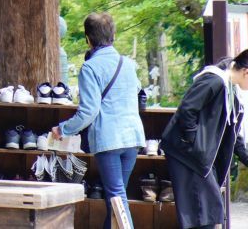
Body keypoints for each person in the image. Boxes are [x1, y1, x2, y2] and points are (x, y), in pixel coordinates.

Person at [54, 12, 146, 221]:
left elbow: (89, 111)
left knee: (116, 198)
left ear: (88, 39)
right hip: (132, 138)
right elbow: (137, 89)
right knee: (114, 199)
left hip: (109, 140)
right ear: (113, 35)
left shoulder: (90, 67)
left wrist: (63, 129)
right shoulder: (128, 64)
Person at [160, 47, 248, 227]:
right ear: (246, 72)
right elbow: (187, 109)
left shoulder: (231, 91)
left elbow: (233, 134)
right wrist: (194, 141)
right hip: (186, 154)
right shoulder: (214, 80)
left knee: (208, 213)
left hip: (199, 157)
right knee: (204, 214)